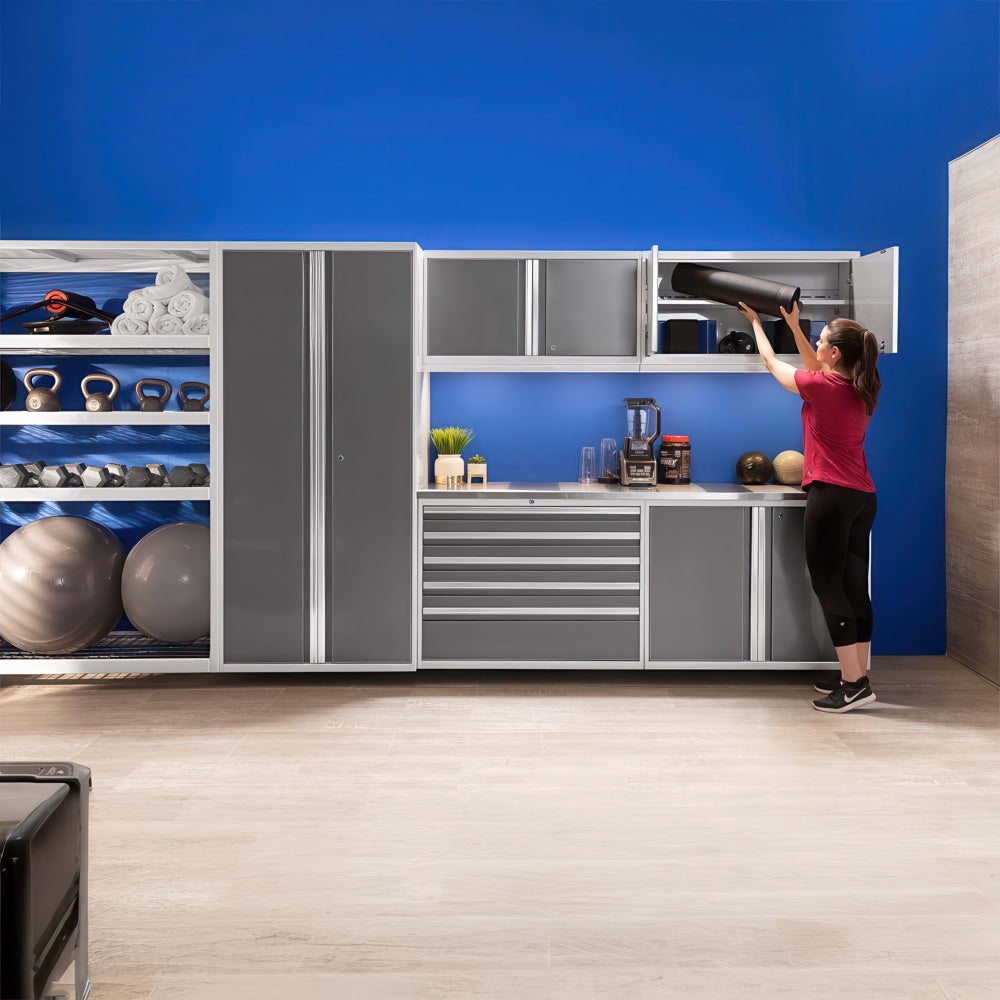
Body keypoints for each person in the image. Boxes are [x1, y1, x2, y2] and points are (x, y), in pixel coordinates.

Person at [737, 300, 881, 713]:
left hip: (831, 495)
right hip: (861, 497)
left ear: (834, 353)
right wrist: (795, 327)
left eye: (820, 343)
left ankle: (853, 685)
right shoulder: (863, 386)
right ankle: (858, 675)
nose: (815, 347)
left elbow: (770, 363)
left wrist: (757, 324)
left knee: (827, 586)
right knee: (855, 588)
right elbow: (814, 367)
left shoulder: (822, 387)